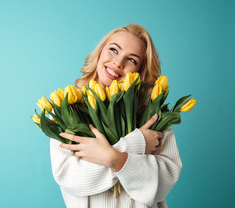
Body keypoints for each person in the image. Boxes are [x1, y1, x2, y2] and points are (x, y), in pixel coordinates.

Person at [50, 24, 182, 208]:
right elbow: (70, 179)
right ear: (100, 52)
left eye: (132, 60)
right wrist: (134, 144)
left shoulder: (154, 117)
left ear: (140, 71)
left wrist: (113, 158)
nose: (118, 62)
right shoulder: (67, 111)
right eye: (113, 50)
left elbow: (162, 185)